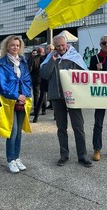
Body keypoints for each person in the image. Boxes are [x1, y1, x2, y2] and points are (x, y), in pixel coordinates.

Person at [40, 35, 92, 167]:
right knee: (61, 127)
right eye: (58, 46)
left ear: (67, 44)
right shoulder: (50, 57)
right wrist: (52, 61)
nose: (61, 48)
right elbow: (45, 75)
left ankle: (82, 155)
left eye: (63, 45)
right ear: (54, 47)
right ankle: (64, 155)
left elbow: (84, 75)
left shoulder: (75, 57)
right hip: (57, 97)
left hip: (73, 97)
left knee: (78, 126)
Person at [0, 35, 32, 174]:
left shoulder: (23, 61)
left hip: (23, 99)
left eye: (17, 45)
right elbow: (2, 84)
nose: (15, 47)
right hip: (8, 100)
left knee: (19, 132)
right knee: (13, 130)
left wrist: (25, 95)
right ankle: (10, 159)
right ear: (7, 47)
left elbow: (27, 79)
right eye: (12, 45)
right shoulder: (1, 63)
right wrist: (16, 96)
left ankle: (16, 157)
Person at [28, 47, 45, 121]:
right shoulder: (45, 58)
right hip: (43, 78)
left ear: (37, 52)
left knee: (36, 94)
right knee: (43, 94)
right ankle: (43, 110)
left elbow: (30, 68)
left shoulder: (33, 58)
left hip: (35, 77)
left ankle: (36, 110)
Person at [45, 44, 55, 110]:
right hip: (46, 79)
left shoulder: (57, 57)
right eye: (49, 49)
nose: (51, 51)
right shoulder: (44, 58)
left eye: (52, 49)